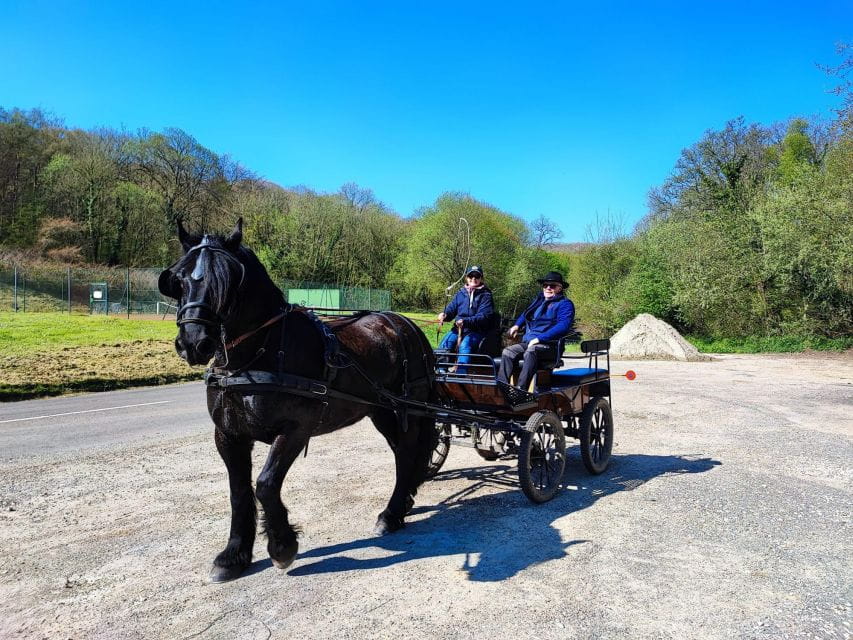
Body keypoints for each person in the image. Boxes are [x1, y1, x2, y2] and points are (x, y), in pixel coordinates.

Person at [497, 271, 574, 390]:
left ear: (560, 288)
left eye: (552, 286)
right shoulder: (539, 300)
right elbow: (525, 314)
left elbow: (563, 326)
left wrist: (539, 339)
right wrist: (517, 325)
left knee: (531, 351)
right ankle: (502, 388)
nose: (548, 288)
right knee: (508, 352)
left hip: (550, 345)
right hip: (529, 341)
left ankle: (521, 390)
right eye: (545, 285)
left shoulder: (565, 304)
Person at [436, 266, 495, 374]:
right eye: (471, 276)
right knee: (446, 342)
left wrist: (465, 321)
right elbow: (451, 309)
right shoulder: (461, 293)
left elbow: (484, 316)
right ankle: (440, 371)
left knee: (465, 345)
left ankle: (461, 374)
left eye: (477, 276)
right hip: (458, 328)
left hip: (477, 331)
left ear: (481, 278)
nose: (473, 278)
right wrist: (445, 315)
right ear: (466, 278)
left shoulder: (486, 295)